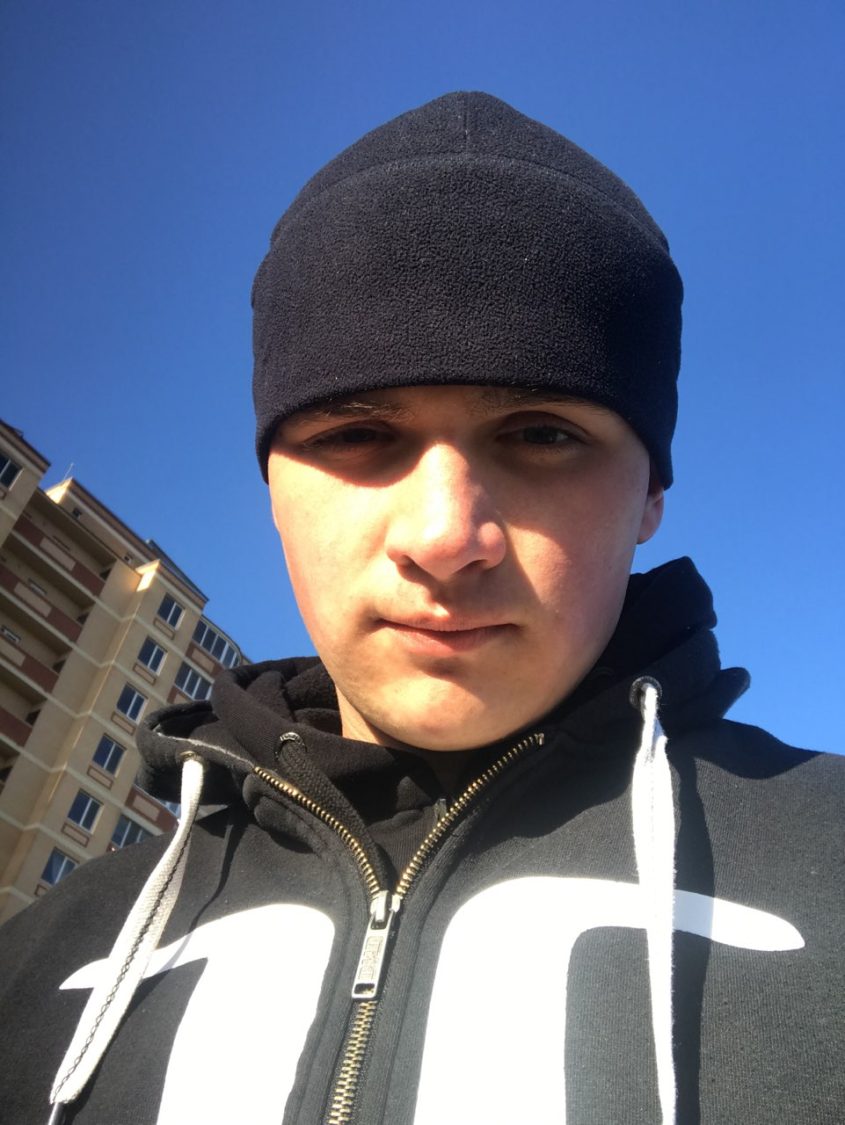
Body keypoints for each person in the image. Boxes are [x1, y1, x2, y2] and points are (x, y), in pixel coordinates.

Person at [0, 91, 841, 1125]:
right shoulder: (41, 963)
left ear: (649, 498)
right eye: (356, 435)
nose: (445, 536)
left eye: (541, 434)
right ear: (272, 490)